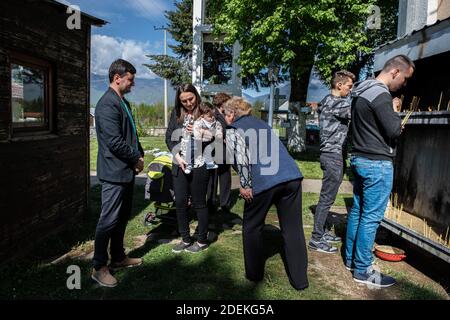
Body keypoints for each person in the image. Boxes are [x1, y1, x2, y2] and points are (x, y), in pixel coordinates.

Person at [223, 97, 308, 291]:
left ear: (231, 114)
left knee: (252, 227)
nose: (224, 118)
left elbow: (241, 159)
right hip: (291, 176)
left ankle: (254, 275)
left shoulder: (234, 129)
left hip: (265, 181)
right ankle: (300, 281)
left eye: (225, 115)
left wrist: (244, 185)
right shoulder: (262, 123)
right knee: (293, 229)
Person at [345, 54, 414, 288]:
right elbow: (394, 130)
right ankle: (362, 270)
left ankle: (350, 260)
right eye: (404, 79)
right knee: (371, 217)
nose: (403, 85)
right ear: (395, 72)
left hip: (360, 158)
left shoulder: (361, 90)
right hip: (377, 163)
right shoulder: (382, 94)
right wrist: (395, 110)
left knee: (358, 211)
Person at [92, 59, 144, 287]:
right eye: (130, 79)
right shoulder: (106, 105)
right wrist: (135, 157)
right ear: (117, 78)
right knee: (108, 220)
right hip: (114, 172)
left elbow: (131, 134)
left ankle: (119, 257)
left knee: (122, 217)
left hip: (126, 171)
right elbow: (114, 141)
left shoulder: (123, 103)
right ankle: (98, 266)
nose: (132, 84)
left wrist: (139, 154)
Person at [309, 70, 355, 254]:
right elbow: (357, 112)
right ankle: (316, 239)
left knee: (327, 198)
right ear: (339, 85)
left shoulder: (328, 100)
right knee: (327, 199)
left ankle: (323, 231)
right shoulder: (337, 103)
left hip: (332, 155)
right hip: (332, 155)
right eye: (349, 87)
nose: (350, 91)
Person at [165, 84, 211, 253]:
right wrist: (176, 156)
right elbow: (169, 138)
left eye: (190, 99)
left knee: (199, 203)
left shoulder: (206, 111)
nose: (188, 103)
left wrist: (200, 133)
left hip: (200, 164)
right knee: (180, 202)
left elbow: (219, 136)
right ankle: (185, 239)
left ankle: (202, 240)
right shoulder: (176, 113)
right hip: (180, 164)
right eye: (183, 101)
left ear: (196, 96)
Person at [207, 93, 232, 216]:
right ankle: (211, 204)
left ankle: (225, 204)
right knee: (213, 179)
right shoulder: (213, 115)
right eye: (227, 103)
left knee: (225, 178)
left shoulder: (224, 115)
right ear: (222, 103)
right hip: (214, 151)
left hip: (225, 152)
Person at [193, 101, 223, 170]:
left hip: (210, 141)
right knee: (199, 152)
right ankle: (198, 162)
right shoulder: (200, 122)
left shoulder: (215, 122)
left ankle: (209, 163)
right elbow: (196, 129)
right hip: (200, 142)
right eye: (210, 116)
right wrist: (198, 136)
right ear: (202, 115)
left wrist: (219, 134)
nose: (212, 118)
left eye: (213, 115)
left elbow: (218, 128)